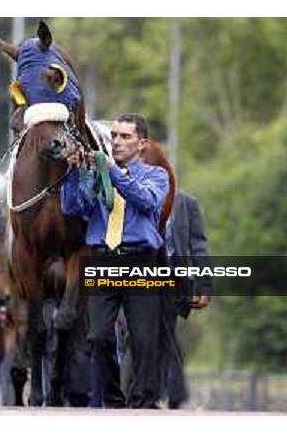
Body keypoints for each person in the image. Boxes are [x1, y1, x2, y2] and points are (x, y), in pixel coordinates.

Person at [61, 113, 169, 408]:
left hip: (140, 262)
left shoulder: (155, 175)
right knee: (97, 336)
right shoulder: (99, 174)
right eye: (115, 136)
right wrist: (72, 174)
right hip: (102, 259)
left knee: (144, 340)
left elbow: (146, 201)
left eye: (125, 137)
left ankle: (143, 403)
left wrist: (113, 172)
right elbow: (73, 207)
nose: (117, 142)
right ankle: (113, 402)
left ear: (142, 143)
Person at [162, 189, 213, 408]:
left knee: (164, 333)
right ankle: (133, 397)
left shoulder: (186, 203)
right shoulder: (124, 191)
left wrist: (205, 285)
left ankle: (174, 395)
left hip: (173, 282)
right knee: (133, 335)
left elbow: (198, 245)